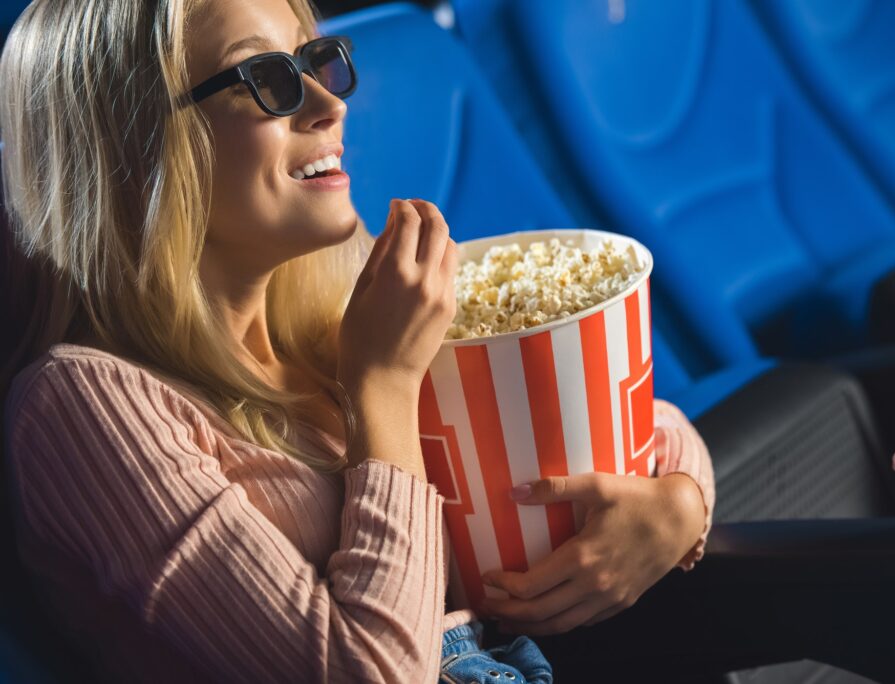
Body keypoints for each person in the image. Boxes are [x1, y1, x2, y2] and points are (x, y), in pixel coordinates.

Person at [0, 0, 715, 681]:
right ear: (136, 145)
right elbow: (369, 674)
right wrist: (384, 390)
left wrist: (679, 508)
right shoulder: (80, 405)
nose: (330, 105)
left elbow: (624, 432)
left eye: (314, 62)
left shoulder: (336, 322)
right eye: (267, 80)